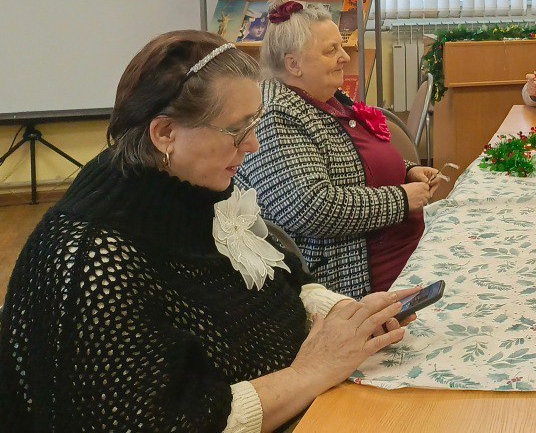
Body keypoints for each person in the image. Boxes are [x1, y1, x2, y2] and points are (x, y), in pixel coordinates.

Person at [0, 31, 420, 430]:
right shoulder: (96, 261)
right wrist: (312, 371)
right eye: (237, 129)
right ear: (165, 133)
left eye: (255, 123)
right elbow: (169, 421)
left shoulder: (196, 186)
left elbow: (284, 278)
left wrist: (345, 314)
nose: (253, 144)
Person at [235, 0, 440, 297]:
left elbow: (355, 159)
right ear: (294, 64)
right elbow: (310, 207)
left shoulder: (323, 98)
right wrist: (401, 199)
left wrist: (407, 171)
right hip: (352, 278)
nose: (344, 57)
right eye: (331, 50)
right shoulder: (275, 115)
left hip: (399, 253)